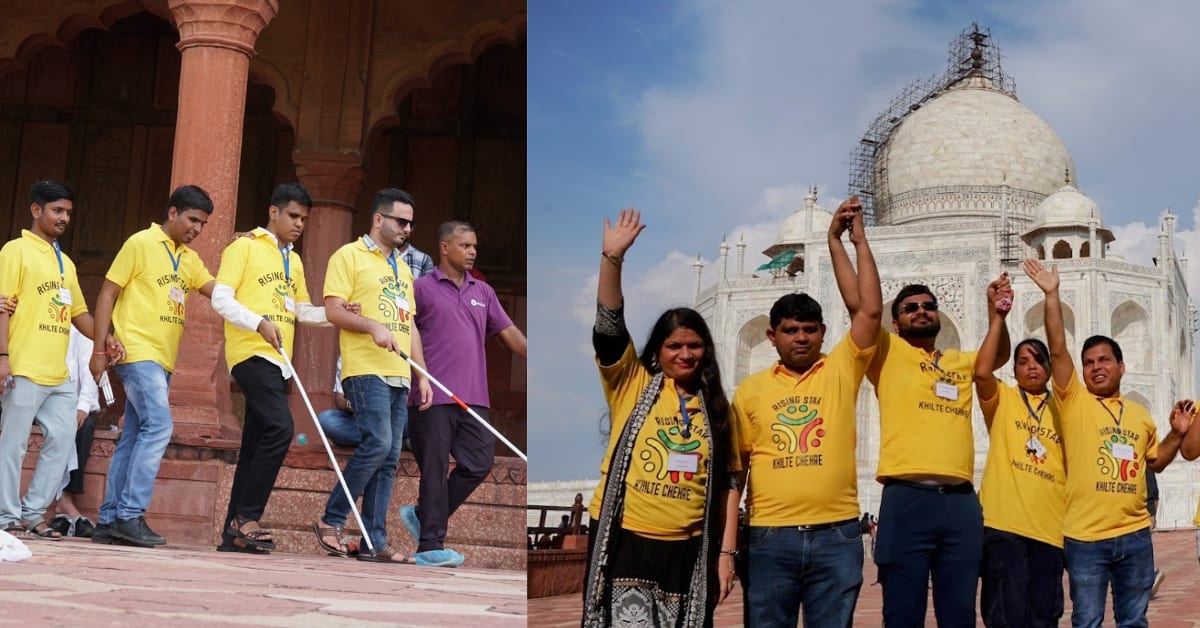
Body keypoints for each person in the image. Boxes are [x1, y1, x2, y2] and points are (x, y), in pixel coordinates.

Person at [581, 208, 738, 627]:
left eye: (694, 345)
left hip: (689, 546)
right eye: (674, 346)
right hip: (627, 536)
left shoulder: (718, 407)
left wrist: (726, 555)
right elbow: (609, 327)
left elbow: (727, 483)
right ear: (657, 351)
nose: (685, 354)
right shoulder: (632, 382)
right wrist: (612, 258)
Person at [729, 196, 881, 627]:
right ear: (771, 335)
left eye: (809, 330)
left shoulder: (839, 371)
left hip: (837, 535)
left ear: (823, 333)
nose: (800, 338)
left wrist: (848, 241)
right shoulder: (751, 389)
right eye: (791, 331)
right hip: (767, 538)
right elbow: (735, 473)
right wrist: (726, 548)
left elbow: (869, 310)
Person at [1026, 257, 1190, 627]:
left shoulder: (1139, 414)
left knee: (1134, 621)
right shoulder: (1074, 402)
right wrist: (1052, 295)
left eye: (1104, 360)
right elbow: (1057, 351)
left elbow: (1156, 462)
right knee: (1087, 620)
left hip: (1133, 536)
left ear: (1121, 366)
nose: (1096, 367)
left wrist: (1177, 434)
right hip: (1085, 537)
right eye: (1088, 362)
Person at [868, 271, 1011, 627]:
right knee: (902, 613)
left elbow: (997, 358)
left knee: (960, 612)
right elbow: (863, 308)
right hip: (906, 498)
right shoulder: (886, 353)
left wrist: (998, 315)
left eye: (929, 306)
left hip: (959, 502)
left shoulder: (958, 362)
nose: (921, 311)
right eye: (910, 307)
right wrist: (851, 241)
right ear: (895, 321)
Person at [210, 182, 340, 554]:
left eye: (304, 219)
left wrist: (336, 315)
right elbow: (221, 298)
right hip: (251, 353)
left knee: (254, 443)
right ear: (274, 212)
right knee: (281, 428)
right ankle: (248, 517)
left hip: (280, 363)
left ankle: (232, 534)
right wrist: (259, 323)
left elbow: (300, 309)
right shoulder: (244, 246)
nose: (299, 224)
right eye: (293, 216)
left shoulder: (293, 260)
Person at [88, 184, 217, 547]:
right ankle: (130, 514)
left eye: (204, 224)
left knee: (133, 434)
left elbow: (217, 293)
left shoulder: (189, 259)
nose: (197, 229)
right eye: (193, 219)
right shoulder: (140, 243)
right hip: (136, 352)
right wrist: (99, 349)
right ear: (173, 212)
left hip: (163, 360)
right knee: (159, 425)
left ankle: (110, 518)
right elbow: (107, 293)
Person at [312, 187, 432, 563]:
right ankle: (330, 519)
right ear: (378, 219)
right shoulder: (348, 255)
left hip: (399, 374)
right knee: (378, 444)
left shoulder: (400, 266)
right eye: (401, 221)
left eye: (411, 223)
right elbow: (333, 310)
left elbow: (408, 324)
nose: (407, 229)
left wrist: (422, 374)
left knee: (390, 457)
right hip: (365, 370)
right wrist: (370, 326)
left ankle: (373, 541)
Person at [399, 220, 527, 568]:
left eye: (474, 246)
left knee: (478, 463)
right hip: (433, 394)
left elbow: (509, 332)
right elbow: (405, 332)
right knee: (435, 469)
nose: (472, 252)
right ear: (444, 247)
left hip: (474, 397)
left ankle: (424, 514)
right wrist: (419, 377)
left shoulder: (482, 291)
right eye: (465, 246)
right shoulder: (421, 288)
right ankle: (429, 546)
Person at [0, 180, 105, 540]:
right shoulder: (15, 251)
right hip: (24, 364)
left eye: (68, 213)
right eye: (57, 210)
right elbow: (2, 306)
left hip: (57, 373)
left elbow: (80, 315)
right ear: (36, 210)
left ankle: (32, 512)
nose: (64, 218)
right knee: (12, 444)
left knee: (63, 438)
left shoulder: (65, 262)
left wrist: (108, 337)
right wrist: (3, 357)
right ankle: (6, 515)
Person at [974, 270, 1066, 628]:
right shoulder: (1004, 400)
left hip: (1049, 528)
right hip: (1003, 526)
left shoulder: (1065, 408)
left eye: (1038, 361)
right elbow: (982, 372)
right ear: (1013, 370)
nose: (1032, 367)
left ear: (1048, 368)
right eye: (1023, 361)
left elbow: (1060, 353)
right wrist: (997, 317)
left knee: (1043, 616)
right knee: (1003, 615)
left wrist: (1051, 296)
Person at [47, 325, 103, 538]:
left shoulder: (78, 330)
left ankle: (66, 500)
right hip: (39, 400)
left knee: (84, 426)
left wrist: (83, 406)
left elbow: (89, 371)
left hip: (69, 403)